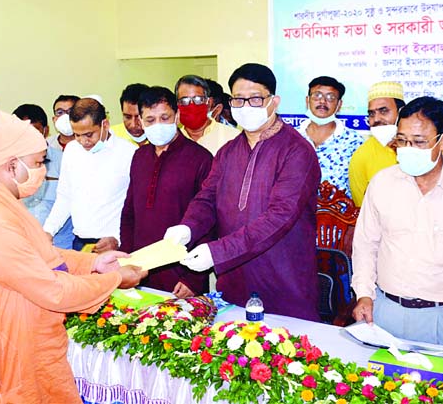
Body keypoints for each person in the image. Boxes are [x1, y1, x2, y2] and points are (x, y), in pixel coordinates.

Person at [0, 110, 146, 402]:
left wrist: (93, 263)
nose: (42, 170)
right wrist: (112, 279)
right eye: (38, 163)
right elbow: (52, 289)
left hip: (2, 345)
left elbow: (30, 250)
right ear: (12, 166)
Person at [165, 63, 321, 321]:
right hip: (234, 285)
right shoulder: (228, 151)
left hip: (283, 281)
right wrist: (188, 227)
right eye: (238, 99)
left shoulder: (297, 151)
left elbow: (279, 217)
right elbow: (207, 198)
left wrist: (217, 253)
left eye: (256, 99)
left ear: (274, 101)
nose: (246, 107)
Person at [351, 96, 443, 351]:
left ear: (442, 141)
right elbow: (366, 245)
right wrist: (364, 294)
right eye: (401, 140)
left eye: (419, 142)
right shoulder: (382, 184)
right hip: (385, 311)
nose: (407, 149)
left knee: (439, 390)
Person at [120, 86, 212, 297]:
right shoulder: (139, 157)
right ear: (141, 121)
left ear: (177, 116)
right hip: (140, 270)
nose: (158, 125)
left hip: (182, 274)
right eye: (150, 120)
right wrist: (126, 261)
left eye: (165, 117)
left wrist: (193, 279)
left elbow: (209, 220)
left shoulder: (200, 158)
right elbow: (129, 214)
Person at [43, 97, 136, 252]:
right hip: (79, 242)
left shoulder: (129, 153)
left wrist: (118, 238)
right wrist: (48, 231)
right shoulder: (72, 150)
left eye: (88, 134)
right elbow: (65, 196)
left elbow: (134, 207)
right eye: (77, 135)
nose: (83, 141)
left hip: (114, 243)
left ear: (104, 125)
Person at [349, 81, 443, 207]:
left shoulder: (436, 146)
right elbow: (364, 210)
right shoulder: (361, 156)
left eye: (383, 111)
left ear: (401, 111)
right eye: (371, 114)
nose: (376, 119)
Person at [296, 76, 363, 196]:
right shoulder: (292, 138)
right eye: (317, 95)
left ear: (339, 105)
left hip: (340, 213)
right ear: (307, 101)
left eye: (330, 97)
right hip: (297, 213)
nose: (322, 101)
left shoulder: (354, 142)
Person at [13, 104, 63, 225]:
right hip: (22, 237)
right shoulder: (8, 165)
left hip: (58, 239)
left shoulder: (63, 160)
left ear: (45, 131)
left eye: (34, 131)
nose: (28, 137)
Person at [175, 74, 239, 155]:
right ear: (177, 105)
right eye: (185, 100)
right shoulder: (172, 140)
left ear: (208, 103)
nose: (191, 104)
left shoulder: (233, 137)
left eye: (198, 99)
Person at [47, 94, 80, 249]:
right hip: (55, 223)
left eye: (70, 111)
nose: (65, 117)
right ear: (54, 119)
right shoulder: (45, 148)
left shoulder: (89, 146)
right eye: (60, 112)